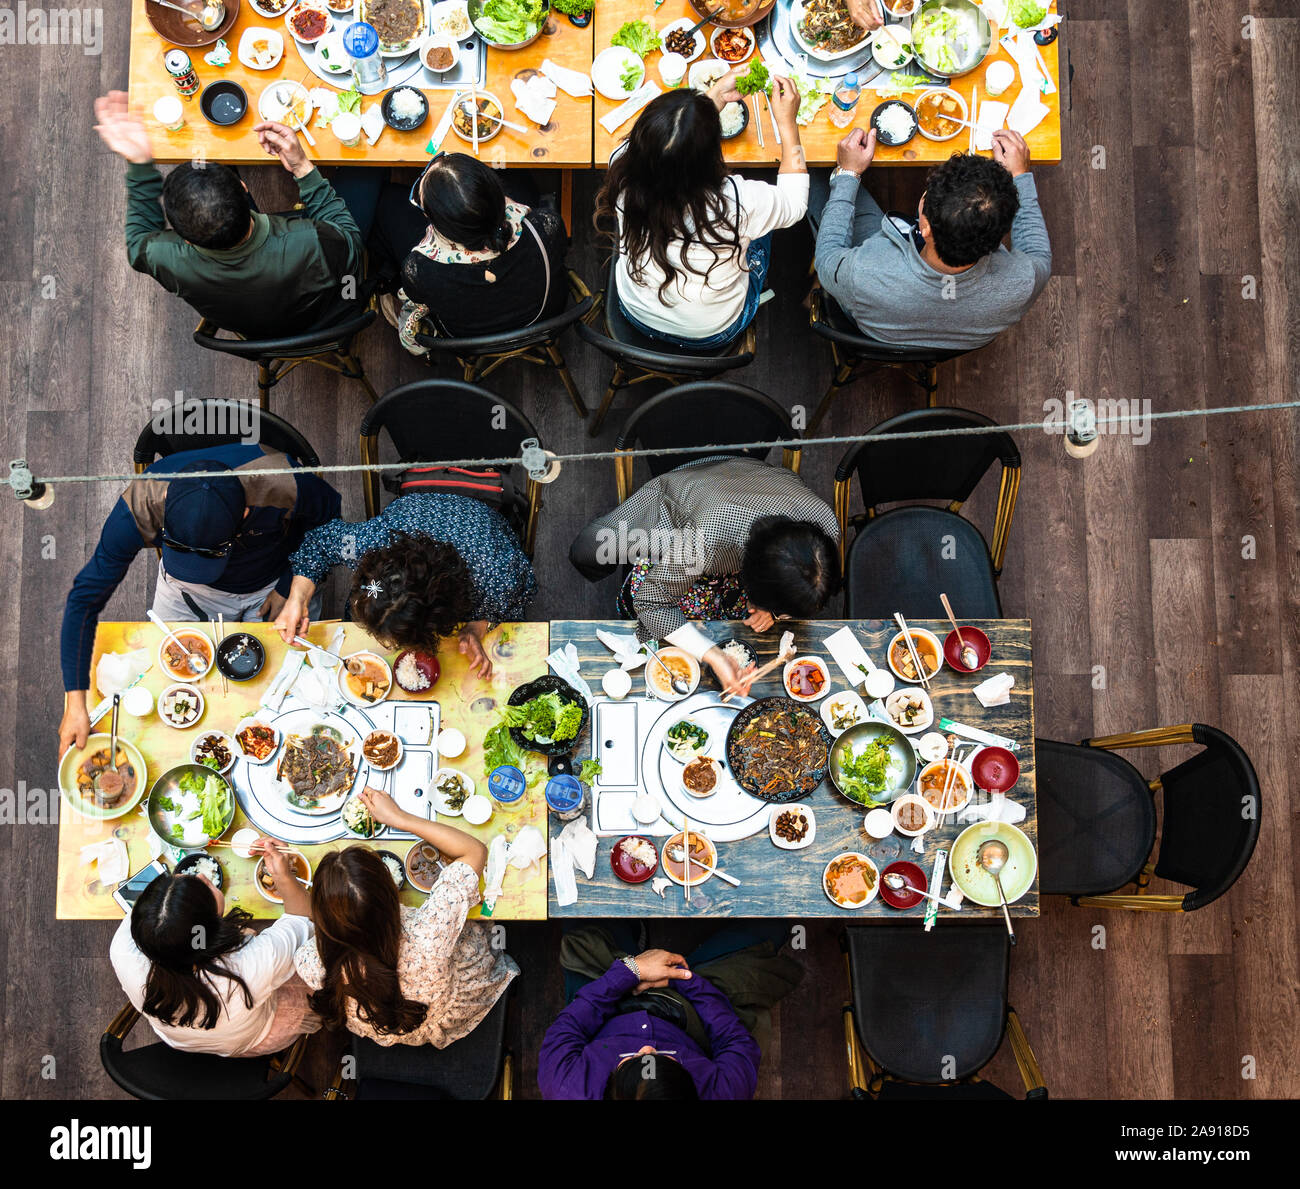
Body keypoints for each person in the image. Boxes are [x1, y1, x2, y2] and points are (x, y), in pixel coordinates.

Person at [58, 445, 341, 755]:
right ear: (165, 504)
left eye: (211, 552)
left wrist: (289, 586)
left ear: (244, 513)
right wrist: (75, 700)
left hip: (275, 579)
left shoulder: (283, 483)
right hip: (184, 589)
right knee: (168, 678)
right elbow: (83, 600)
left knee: (297, 678)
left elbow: (330, 524)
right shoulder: (139, 505)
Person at [93, 90, 379, 337]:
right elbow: (350, 241)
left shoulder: (165, 257)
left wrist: (140, 163)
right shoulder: (311, 241)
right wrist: (303, 168)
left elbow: (137, 243)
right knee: (369, 166)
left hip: (254, 330)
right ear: (244, 188)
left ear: (185, 239)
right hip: (327, 315)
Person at [570, 456, 840, 691]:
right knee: (663, 612)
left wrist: (774, 612)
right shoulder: (705, 541)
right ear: (749, 580)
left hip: (752, 483)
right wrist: (712, 655)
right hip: (686, 505)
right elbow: (651, 600)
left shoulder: (826, 528)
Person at [595, 69, 808, 347]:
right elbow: (795, 204)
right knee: (764, 231)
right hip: (711, 332)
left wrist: (713, 99)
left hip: (635, 311)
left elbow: (667, 147)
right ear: (709, 159)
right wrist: (788, 125)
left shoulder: (622, 169)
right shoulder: (738, 202)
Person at [294, 788, 518, 1047]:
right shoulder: (428, 934)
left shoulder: (310, 962)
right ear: (392, 897)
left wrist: (286, 879)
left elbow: (301, 917)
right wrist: (400, 818)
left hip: (391, 1024)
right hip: (440, 1008)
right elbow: (475, 851)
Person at [811, 127, 1052, 350]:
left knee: (814, 172)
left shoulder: (863, 272)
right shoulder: (1021, 283)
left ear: (923, 227)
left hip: (872, 330)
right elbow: (1038, 254)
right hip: (950, 342)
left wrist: (848, 174)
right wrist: (1020, 175)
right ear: (999, 237)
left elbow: (826, 258)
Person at [274, 493, 537, 681]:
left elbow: (521, 597)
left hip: (483, 527)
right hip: (414, 513)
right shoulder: (375, 540)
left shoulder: (497, 578)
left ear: (437, 619)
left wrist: (476, 626)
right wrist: (297, 598)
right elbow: (320, 543)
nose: (387, 646)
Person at [538, 923, 801, 1100]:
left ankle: (631, 936)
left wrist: (631, 971)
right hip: (689, 1012)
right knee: (772, 926)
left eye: (631, 1060)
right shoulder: (724, 1092)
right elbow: (735, 1040)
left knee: (580, 917)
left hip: (608, 1006)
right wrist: (681, 978)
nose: (647, 1049)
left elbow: (571, 1026)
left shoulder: (564, 1086)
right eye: (663, 1058)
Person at [110, 840, 319, 1057]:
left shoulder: (122, 949)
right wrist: (284, 876)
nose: (201, 876)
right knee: (311, 956)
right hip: (252, 1037)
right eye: (205, 887)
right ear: (213, 927)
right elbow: (303, 918)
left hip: (181, 1039)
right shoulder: (250, 965)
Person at [368, 154, 568, 353]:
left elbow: (419, 298)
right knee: (517, 173)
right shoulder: (546, 225)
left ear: (434, 222)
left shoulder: (420, 269)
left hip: (468, 341)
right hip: (543, 320)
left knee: (388, 200)